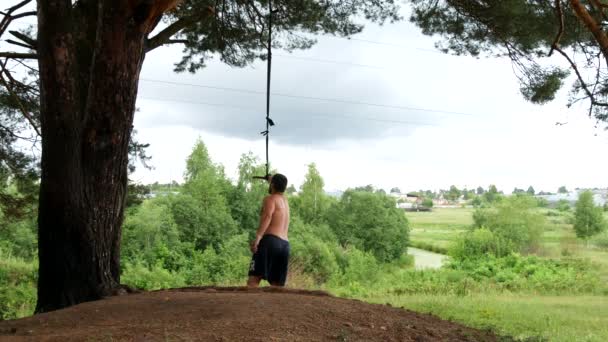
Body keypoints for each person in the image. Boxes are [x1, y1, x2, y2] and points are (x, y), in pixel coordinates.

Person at [247, 174, 290, 287]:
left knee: (253, 281)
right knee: (276, 286)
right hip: (285, 245)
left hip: (270, 242)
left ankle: (249, 305)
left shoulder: (269, 199)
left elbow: (267, 217)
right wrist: (272, 181)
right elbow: (279, 185)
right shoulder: (285, 201)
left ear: (273, 185)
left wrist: (257, 239)